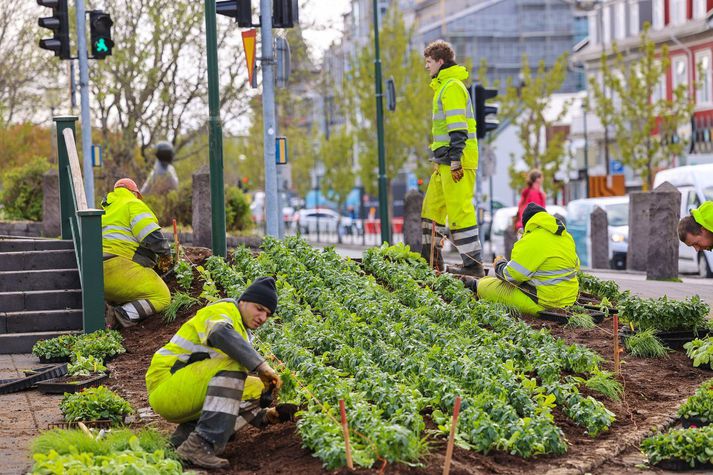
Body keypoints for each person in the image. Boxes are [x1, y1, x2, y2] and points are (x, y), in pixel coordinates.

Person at [145, 277, 295, 469]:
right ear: (243, 301)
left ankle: (184, 440)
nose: (262, 318)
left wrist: (265, 415)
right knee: (237, 362)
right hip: (166, 386)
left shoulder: (241, 329)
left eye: (267, 314)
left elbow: (228, 390)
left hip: (187, 391)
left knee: (259, 387)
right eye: (259, 308)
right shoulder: (222, 311)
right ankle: (201, 444)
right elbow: (219, 333)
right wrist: (262, 366)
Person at [420, 40, 484, 277]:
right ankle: (431, 263)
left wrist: (455, 158)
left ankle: (473, 265)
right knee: (431, 209)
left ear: (440, 61)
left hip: (456, 160)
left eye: (428, 62)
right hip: (444, 161)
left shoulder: (452, 87)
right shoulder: (443, 87)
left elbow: (458, 127)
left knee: (459, 212)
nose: (426, 67)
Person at [474, 203, 580, 315]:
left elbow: (513, 276)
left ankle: (474, 284)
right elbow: (576, 265)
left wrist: (500, 264)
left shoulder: (531, 240)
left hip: (544, 303)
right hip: (568, 300)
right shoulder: (565, 236)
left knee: (484, 286)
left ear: (527, 223)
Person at [102, 178, 172, 328]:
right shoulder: (133, 204)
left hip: (96, 274)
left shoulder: (106, 210)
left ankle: (110, 309)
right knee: (162, 297)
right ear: (135, 193)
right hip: (117, 269)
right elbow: (150, 235)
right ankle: (124, 314)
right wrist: (166, 253)